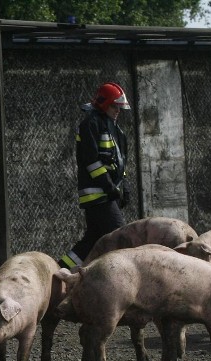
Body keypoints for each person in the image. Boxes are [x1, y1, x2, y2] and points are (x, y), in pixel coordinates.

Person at [58, 82, 131, 270]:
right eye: (115, 106)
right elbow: (92, 162)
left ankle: (60, 271)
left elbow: (119, 162)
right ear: (104, 103)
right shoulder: (90, 124)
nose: (118, 111)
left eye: (119, 107)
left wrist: (125, 186)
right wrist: (110, 188)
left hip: (108, 193)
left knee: (92, 239)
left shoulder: (116, 130)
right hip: (98, 194)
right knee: (119, 236)